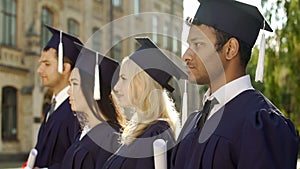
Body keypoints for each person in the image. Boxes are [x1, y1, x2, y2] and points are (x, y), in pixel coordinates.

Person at [170, 0, 299, 169]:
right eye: (189, 45)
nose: (186, 55)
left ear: (230, 49)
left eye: (198, 44)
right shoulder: (193, 122)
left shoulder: (261, 124)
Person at [102, 37, 187, 169]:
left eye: (124, 78)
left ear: (142, 84)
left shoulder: (156, 134)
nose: (117, 87)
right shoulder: (140, 131)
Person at [60, 43, 124, 169]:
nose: (69, 91)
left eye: (75, 84)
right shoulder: (84, 132)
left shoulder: (111, 140)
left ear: (94, 90)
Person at [34, 25, 82, 169]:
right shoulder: (52, 107)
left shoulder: (76, 111)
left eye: (47, 64)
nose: (39, 70)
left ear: (65, 68)